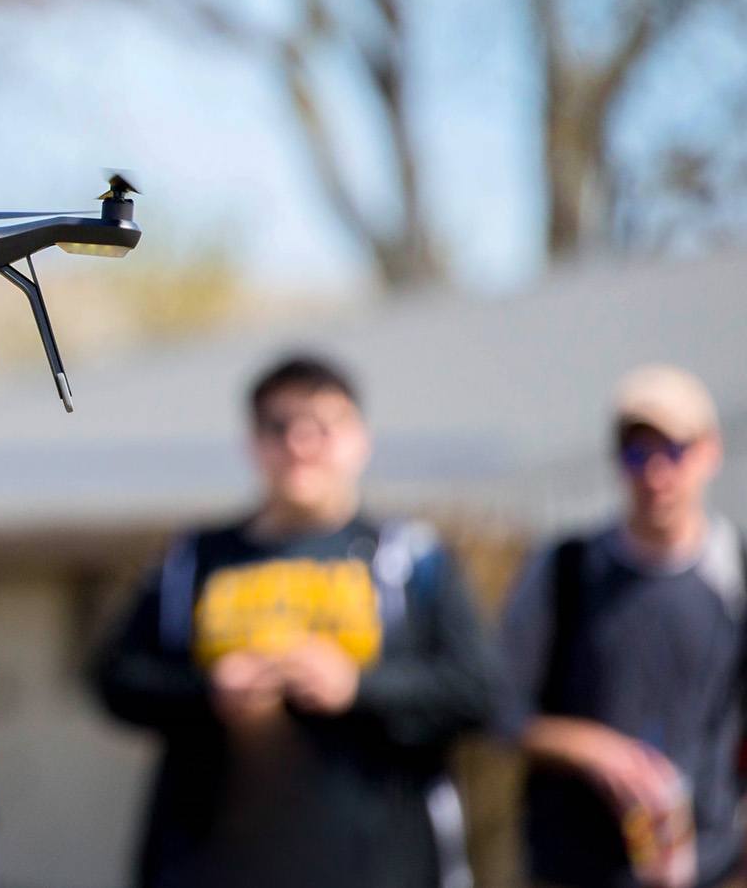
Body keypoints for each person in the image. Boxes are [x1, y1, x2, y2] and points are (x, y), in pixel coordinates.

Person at [91, 353, 495, 888]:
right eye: (279, 427)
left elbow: (477, 693)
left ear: (360, 440)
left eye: (322, 428)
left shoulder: (406, 558)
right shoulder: (193, 559)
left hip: (376, 860)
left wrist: (357, 687)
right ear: (252, 443)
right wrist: (210, 690)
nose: (300, 445)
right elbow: (115, 679)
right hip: (213, 861)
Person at [498, 364, 741, 888]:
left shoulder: (735, 574)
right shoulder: (567, 569)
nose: (656, 472)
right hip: (576, 865)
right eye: (638, 453)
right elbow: (497, 705)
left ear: (710, 452)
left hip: (712, 865)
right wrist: (593, 750)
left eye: (674, 450)